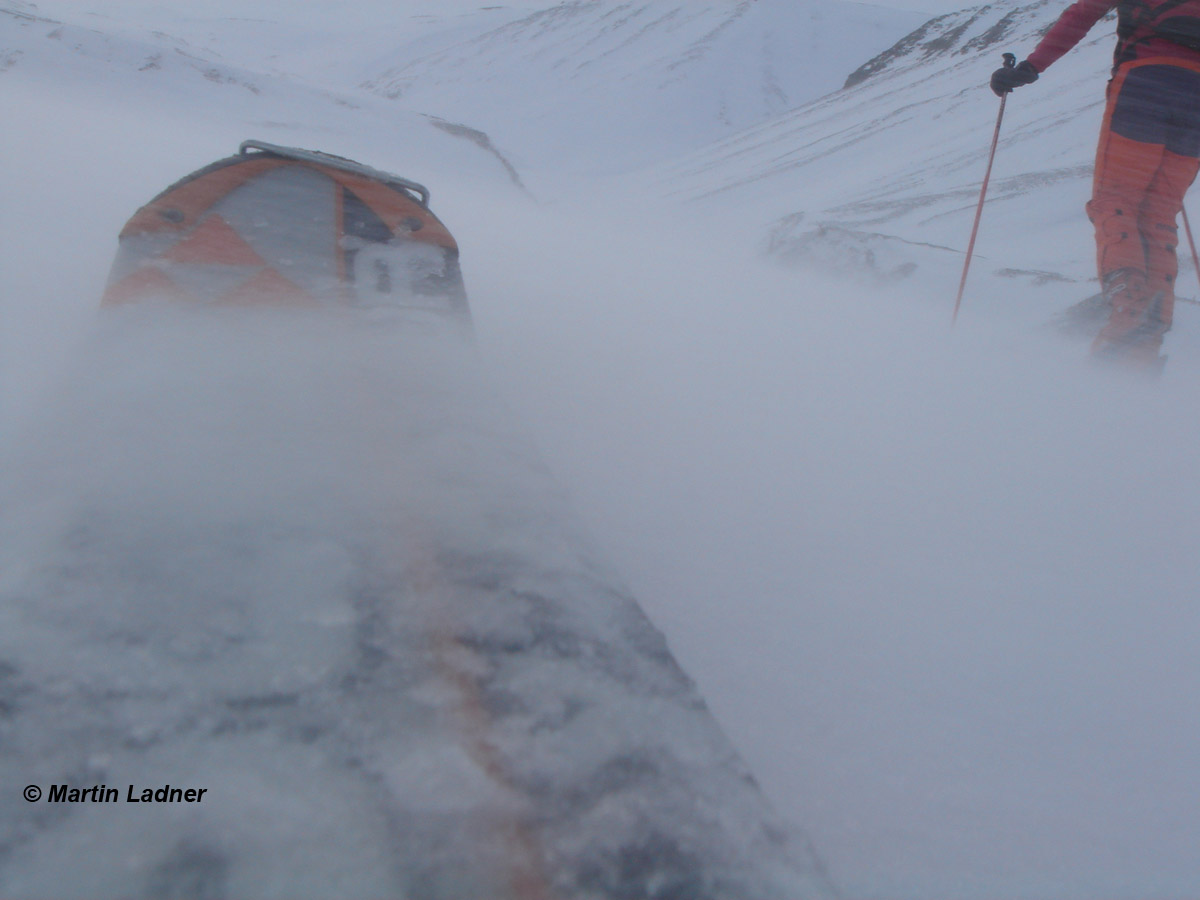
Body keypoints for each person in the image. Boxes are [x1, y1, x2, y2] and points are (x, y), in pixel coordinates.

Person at [992, 0, 1200, 366]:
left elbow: (1081, 14)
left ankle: (1128, 308)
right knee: (1160, 214)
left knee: (1117, 201)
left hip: (1144, 84)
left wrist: (1029, 68)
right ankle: (1145, 343)